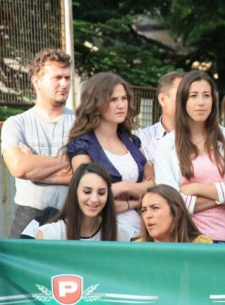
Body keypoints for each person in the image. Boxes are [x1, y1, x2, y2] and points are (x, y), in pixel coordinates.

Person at [154, 70, 225, 243]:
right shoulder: (165, 146)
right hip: (186, 240)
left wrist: (196, 188)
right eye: (193, 96)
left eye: (206, 95)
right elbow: (170, 202)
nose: (201, 102)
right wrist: (223, 198)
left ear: (213, 100)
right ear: (183, 100)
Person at [66, 72, 154, 238]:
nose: (121, 105)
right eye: (113, 100)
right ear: (96, 103)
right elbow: (91, 201)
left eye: (124, 98)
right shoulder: (81, 146)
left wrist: (122, 187)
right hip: (105, 233)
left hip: (141, 232)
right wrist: (134, 201)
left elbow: (153, 185)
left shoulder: (131, 140)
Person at [2, 49, 75, 238]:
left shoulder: (81, 123)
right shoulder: (16, 123)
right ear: (36, 81)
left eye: (67, 78)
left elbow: (86, 173)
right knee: (18, 268)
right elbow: (19, 168)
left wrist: (36, 169)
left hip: (71, 217)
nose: (64, 84)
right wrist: (67, 159)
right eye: (57, 77)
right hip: (27, 216)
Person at [36, 163, 132, 241]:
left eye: (101, 193)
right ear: (75, 191)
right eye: (87, 191)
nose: (94, 199)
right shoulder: (49, 234)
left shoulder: (121, 234)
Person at [137, 71, 185, 162]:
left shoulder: (205, 138)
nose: (188, 101)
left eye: (191, 96)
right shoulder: (142, 140)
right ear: (162, 99)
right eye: (181, 95)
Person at [138, 184, 212, 243]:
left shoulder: (201, 245)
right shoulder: (135, 249)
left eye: (155, 208)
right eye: (144, 210)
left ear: (177, 213)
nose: (148, 215)